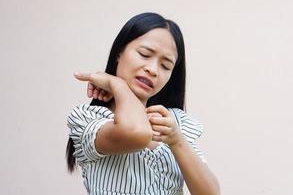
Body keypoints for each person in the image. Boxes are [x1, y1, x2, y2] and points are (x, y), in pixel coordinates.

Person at [66, 12, 220, 195]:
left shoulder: (174, 123)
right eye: (144, 54)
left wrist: (177, 141)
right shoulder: (87, 119)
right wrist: (118, 84)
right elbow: (137, 133)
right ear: (119, 52)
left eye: (165, 66)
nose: (153, 70)